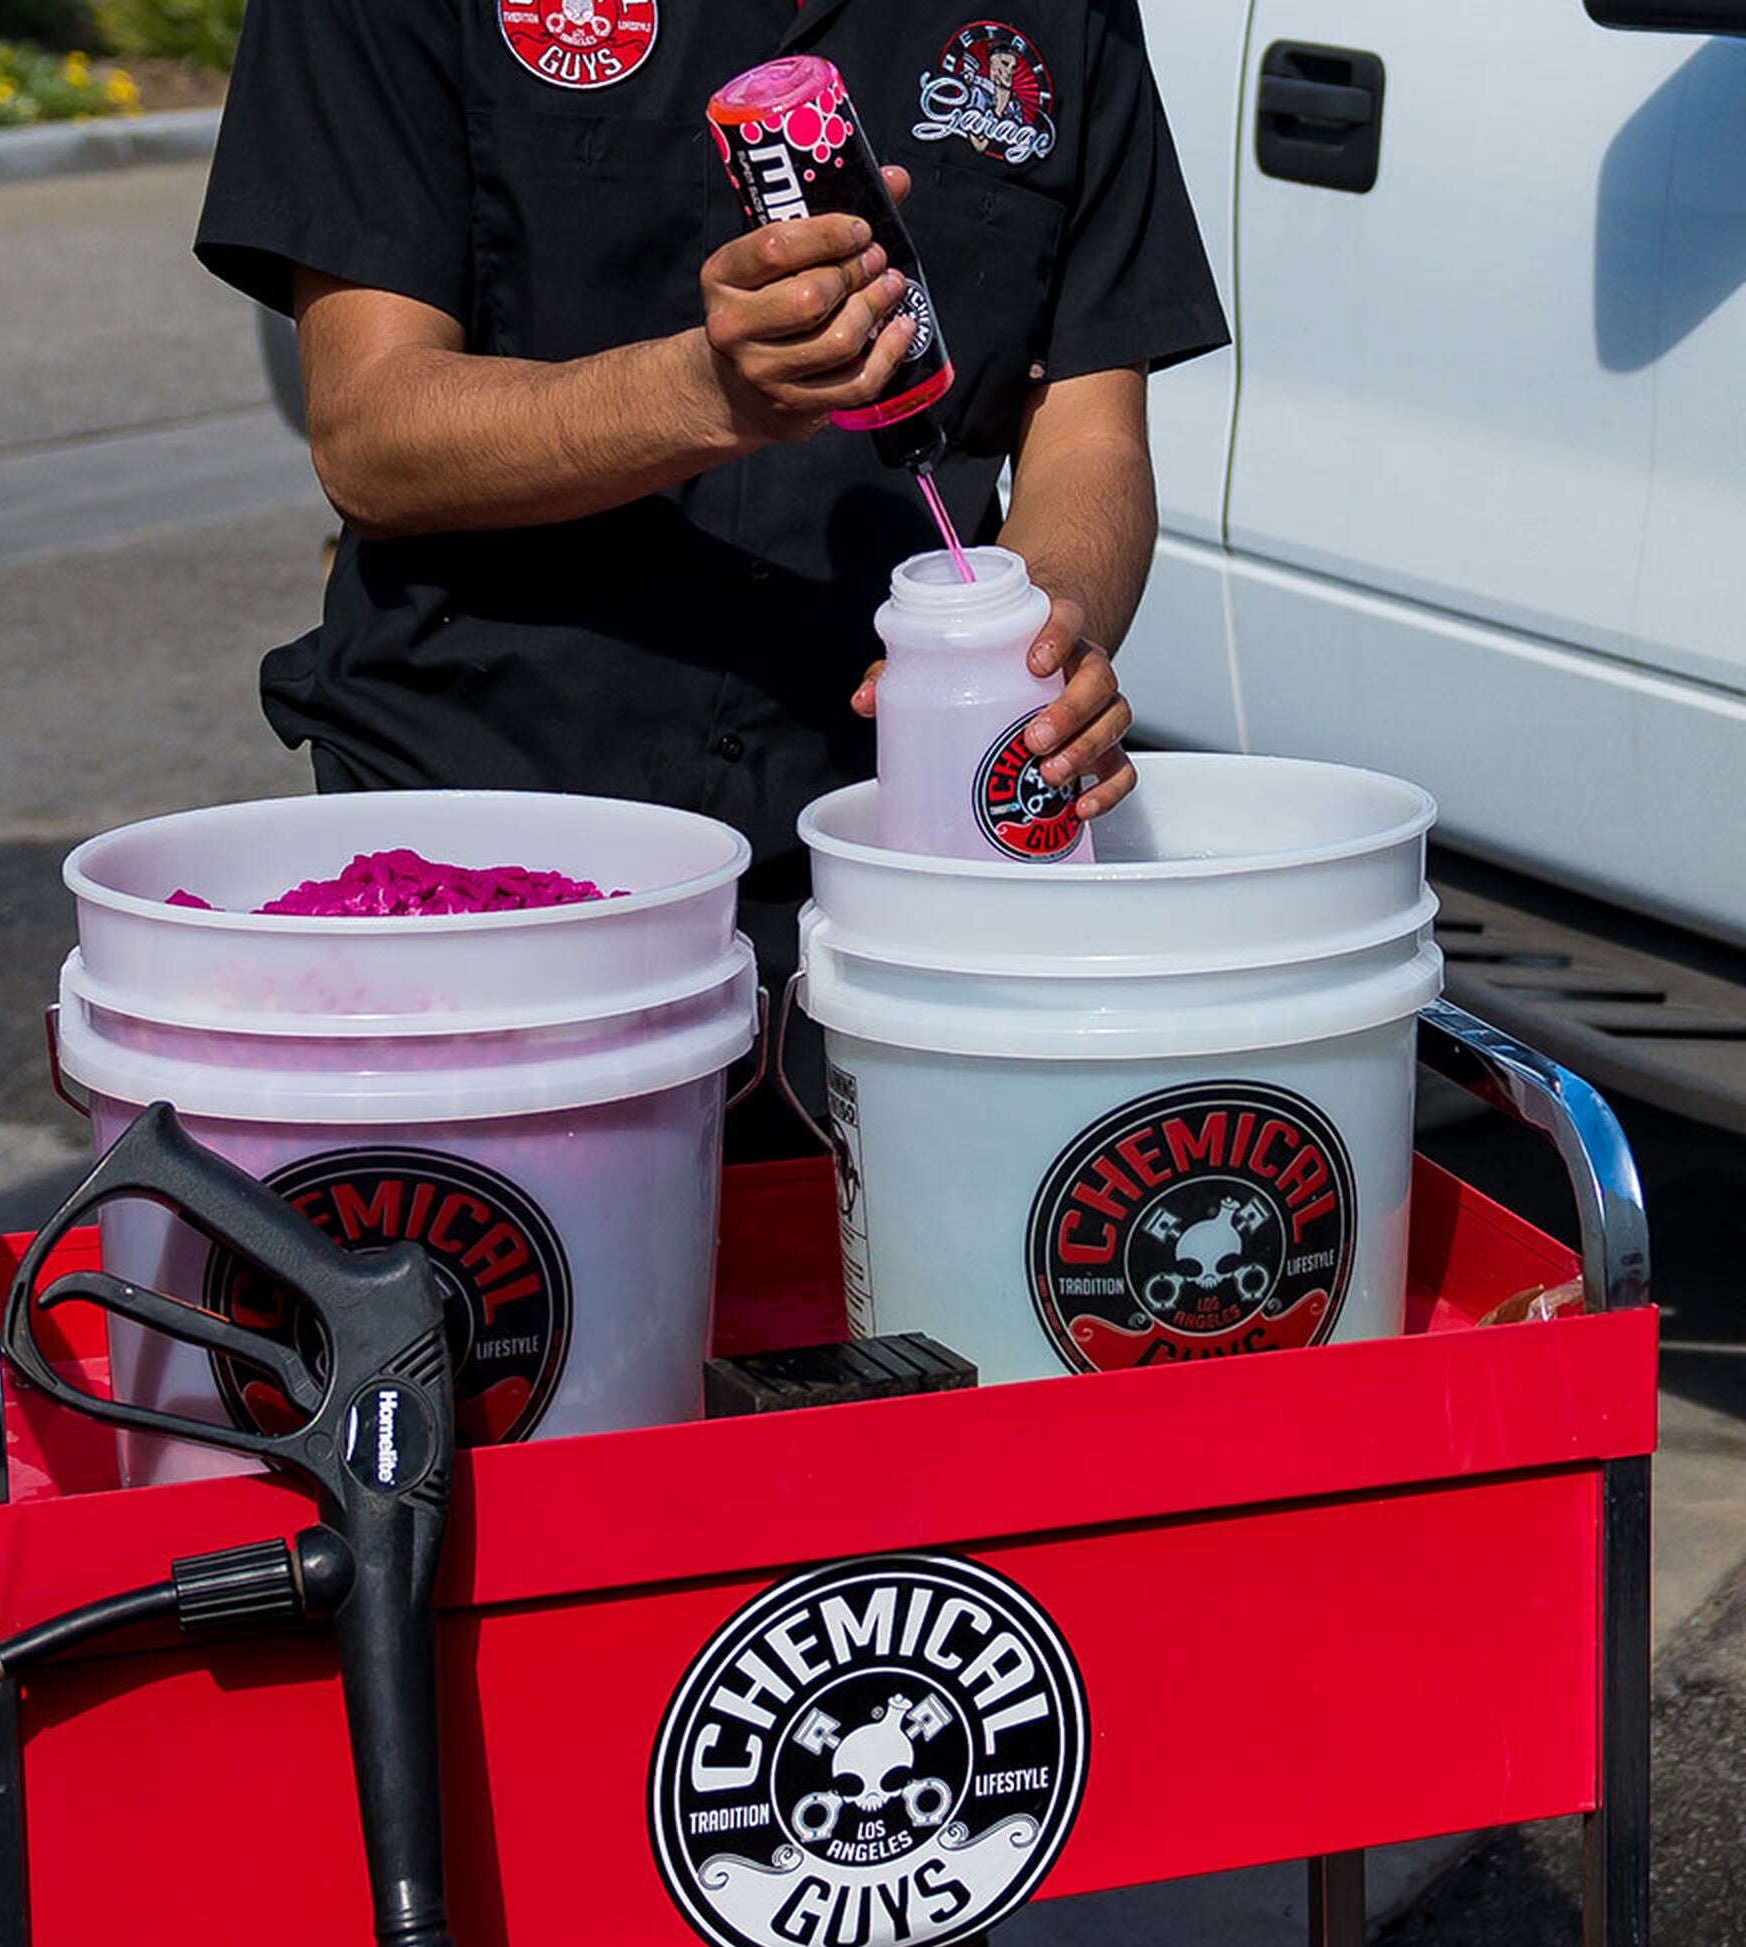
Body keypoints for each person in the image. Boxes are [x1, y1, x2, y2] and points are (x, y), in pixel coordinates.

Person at [194, 0, 1223, 1160]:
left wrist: (1041, 630)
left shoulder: (1070, 16)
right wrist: (705, 394)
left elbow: (1089, 432)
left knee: (914, 1278)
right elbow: (368, 436)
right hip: (484, 882)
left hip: (879, 892)